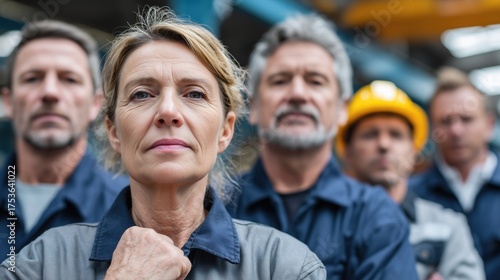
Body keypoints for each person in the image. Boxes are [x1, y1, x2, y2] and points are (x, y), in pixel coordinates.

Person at [0, 7, 326, 279]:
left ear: (225, 131)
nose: (168, 112)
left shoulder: (286, 267)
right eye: (142, 94)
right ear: (113, 130)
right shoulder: (41, 263)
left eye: (194, 94)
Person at [228, 14, 418, 279]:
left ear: (342, 109)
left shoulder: (377, 218)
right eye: (280, 80)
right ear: (255, 106)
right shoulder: (217, 207)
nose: (297, 94)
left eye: (315, 81)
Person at [0, 20, 128, 257]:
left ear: (95, 104)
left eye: (69, 79)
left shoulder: (130, 212)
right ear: (8, 101)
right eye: (32, 78)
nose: (50, 92)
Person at [336, 80, 485, 280]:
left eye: (396, 135)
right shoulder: (324, 222)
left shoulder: (449, 227)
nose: (384, 144)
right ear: (347, 150)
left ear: (415, 150)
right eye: (370, 134)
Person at [410, 69, 500, 280]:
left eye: (466, 119)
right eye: (446, 121)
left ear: (489, 125)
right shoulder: (411, 197)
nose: (456, 131)